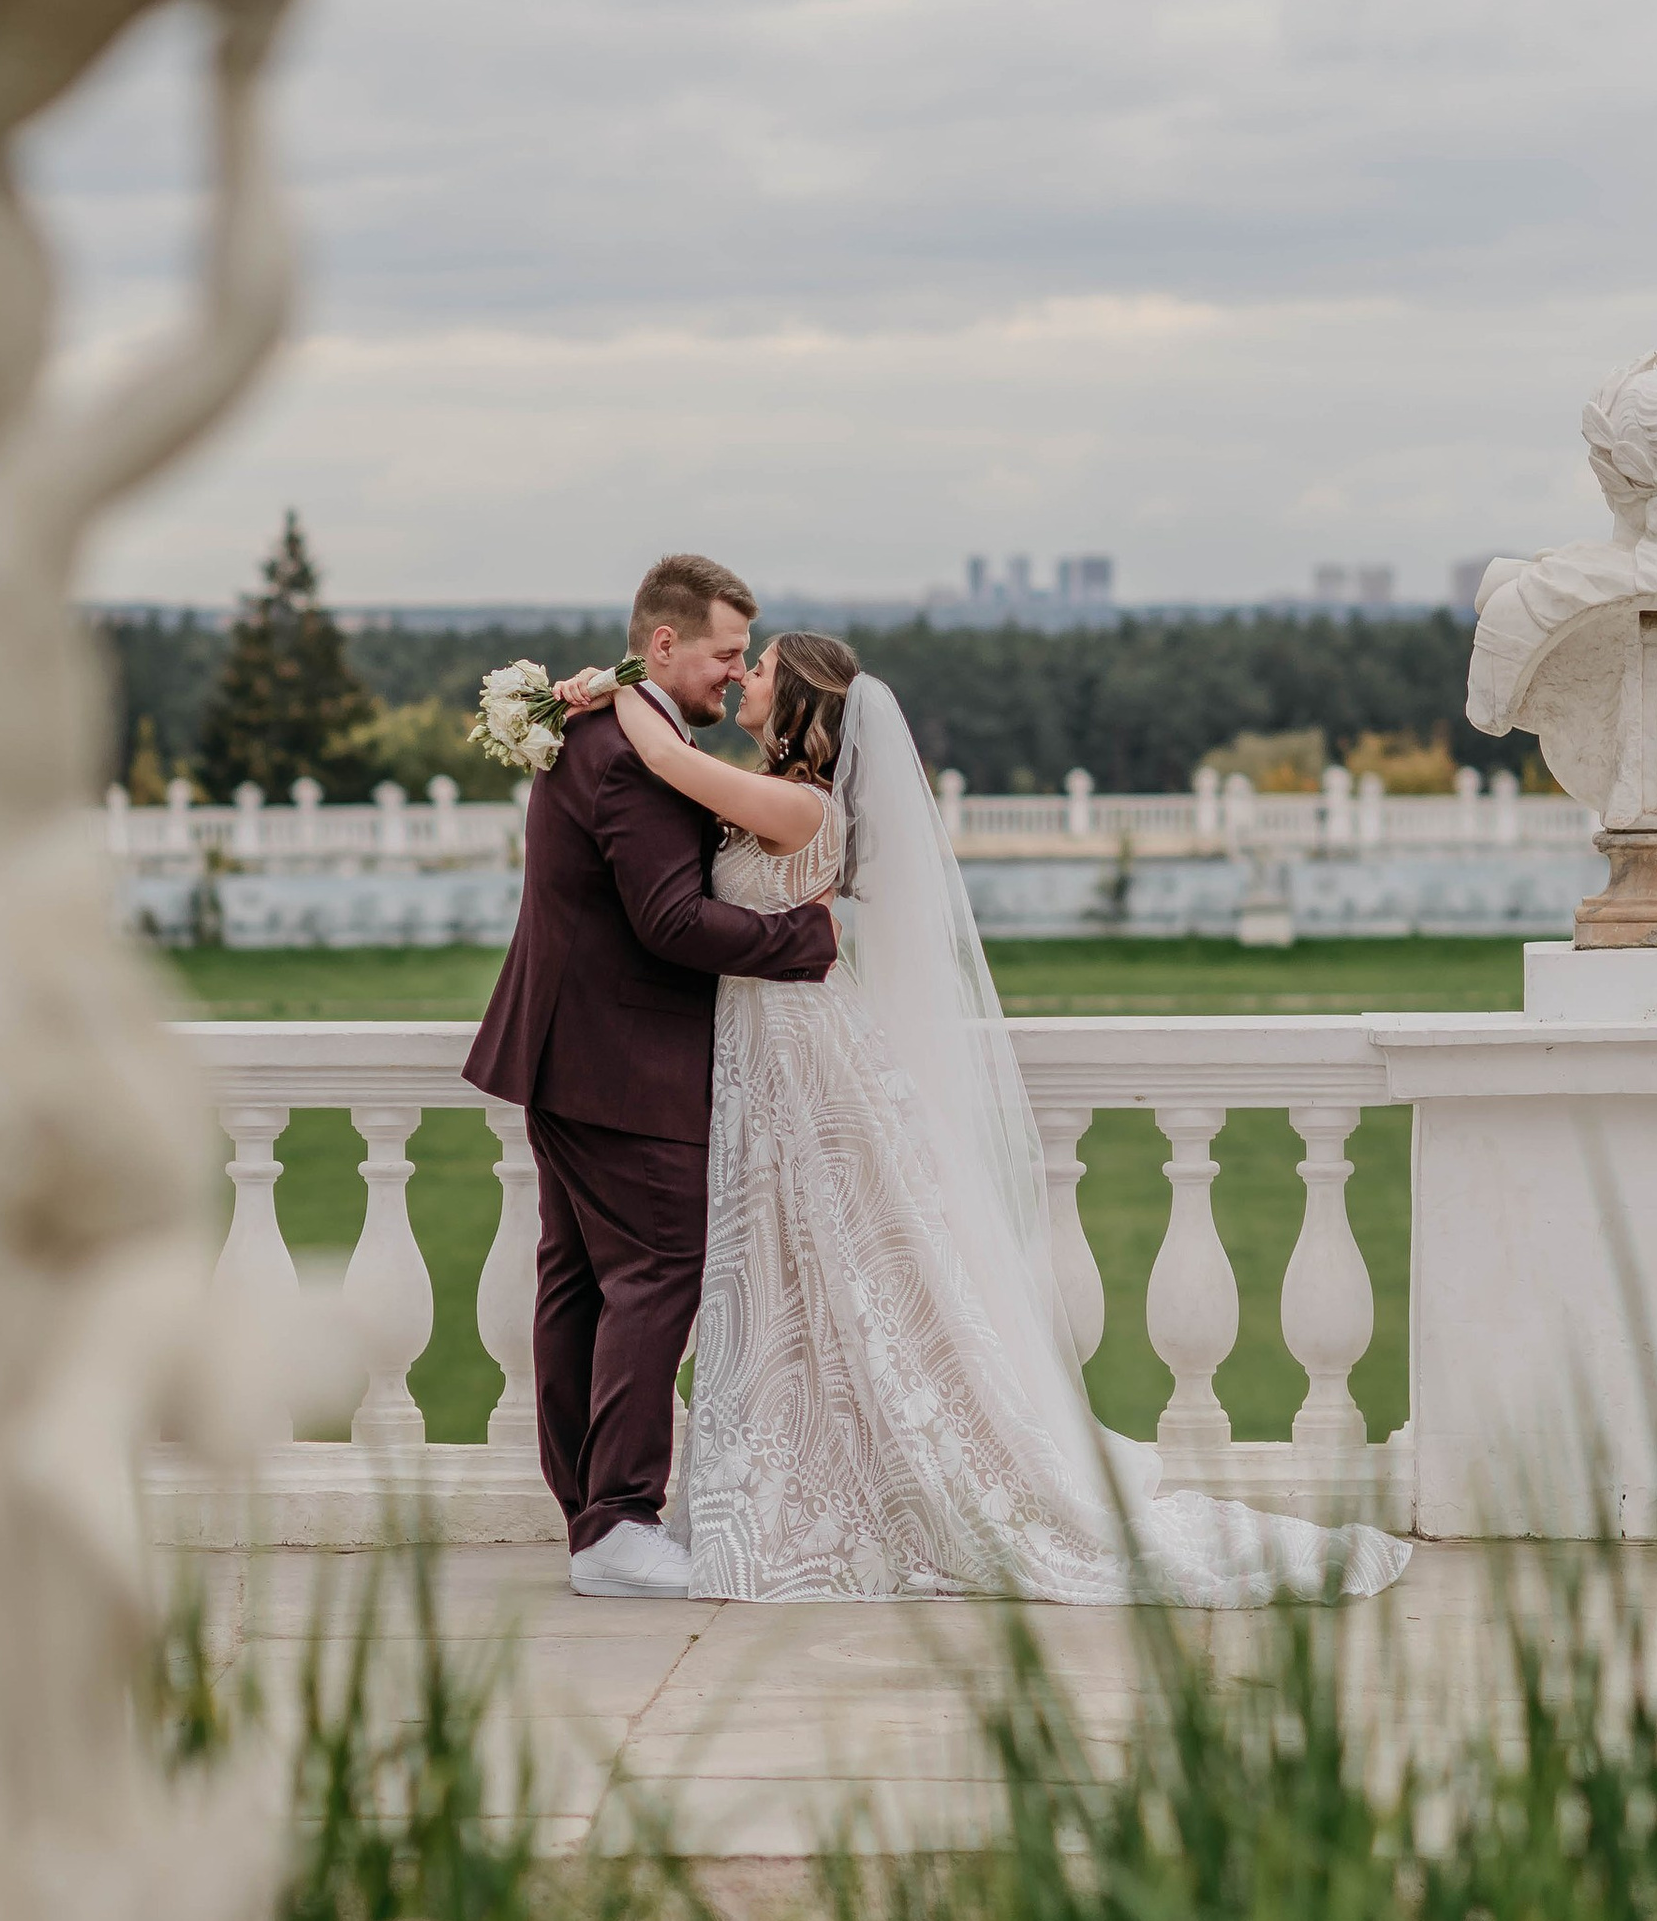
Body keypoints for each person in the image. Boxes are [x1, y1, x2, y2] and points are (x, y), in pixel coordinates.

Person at [565, 632, 1410, 1607]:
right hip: (767, 1054)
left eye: (759, 671)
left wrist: (611, 685)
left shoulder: (802, 807)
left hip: (803, 1058)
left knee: (843, 1270)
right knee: (788, 1270)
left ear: (797, 706)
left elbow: (668, 761)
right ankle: (776, 1483)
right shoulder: (771, 792)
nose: (743, 677)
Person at [462, 555, 837, 1597]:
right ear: (661, 644)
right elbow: (670, 922)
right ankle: (618, 1522)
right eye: (724, 653)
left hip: (563, 1052)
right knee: (652, 1274)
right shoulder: (635, 752)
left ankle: (590, 1518)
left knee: (577, 1284)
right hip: (624, 1065)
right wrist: (806, 939)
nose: (733, 674)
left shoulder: (603, 724)